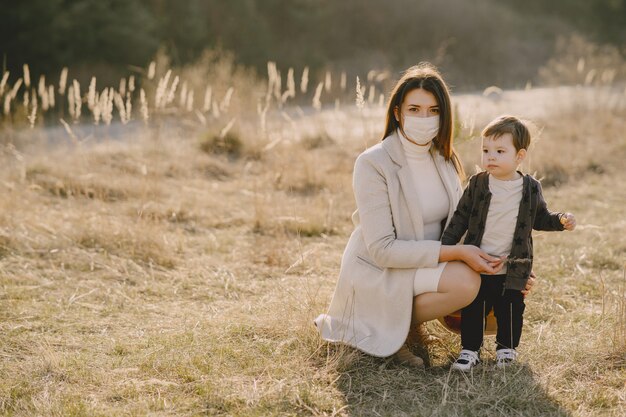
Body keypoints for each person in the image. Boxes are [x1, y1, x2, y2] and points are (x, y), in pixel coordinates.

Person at [314, 63, 535, 368]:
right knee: (466, 283)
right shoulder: (373, 163)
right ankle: (394, 330)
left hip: (432, 262)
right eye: (414, 109)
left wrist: (510, 267)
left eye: (433, 111)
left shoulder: (444, 158)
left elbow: (466, 226)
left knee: (499, 280)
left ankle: (406, 325)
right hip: (384, 268)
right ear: (397, 113)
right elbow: (382, 249)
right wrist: (457, 254)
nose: (424, 119)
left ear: (444, 116)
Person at [442, 115, 576, 371]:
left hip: (513, 265)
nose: (490, 157)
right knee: (474, 307)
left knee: (511, 308)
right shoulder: (478, 183)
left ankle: (506, 349)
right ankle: (470, 350)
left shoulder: (530, 188)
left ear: (519, 156)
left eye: (500, 151)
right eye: (486, 150)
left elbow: (540, 218)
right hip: (478, 263)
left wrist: (560, 220)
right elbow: (460, 218)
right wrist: (444, 248)